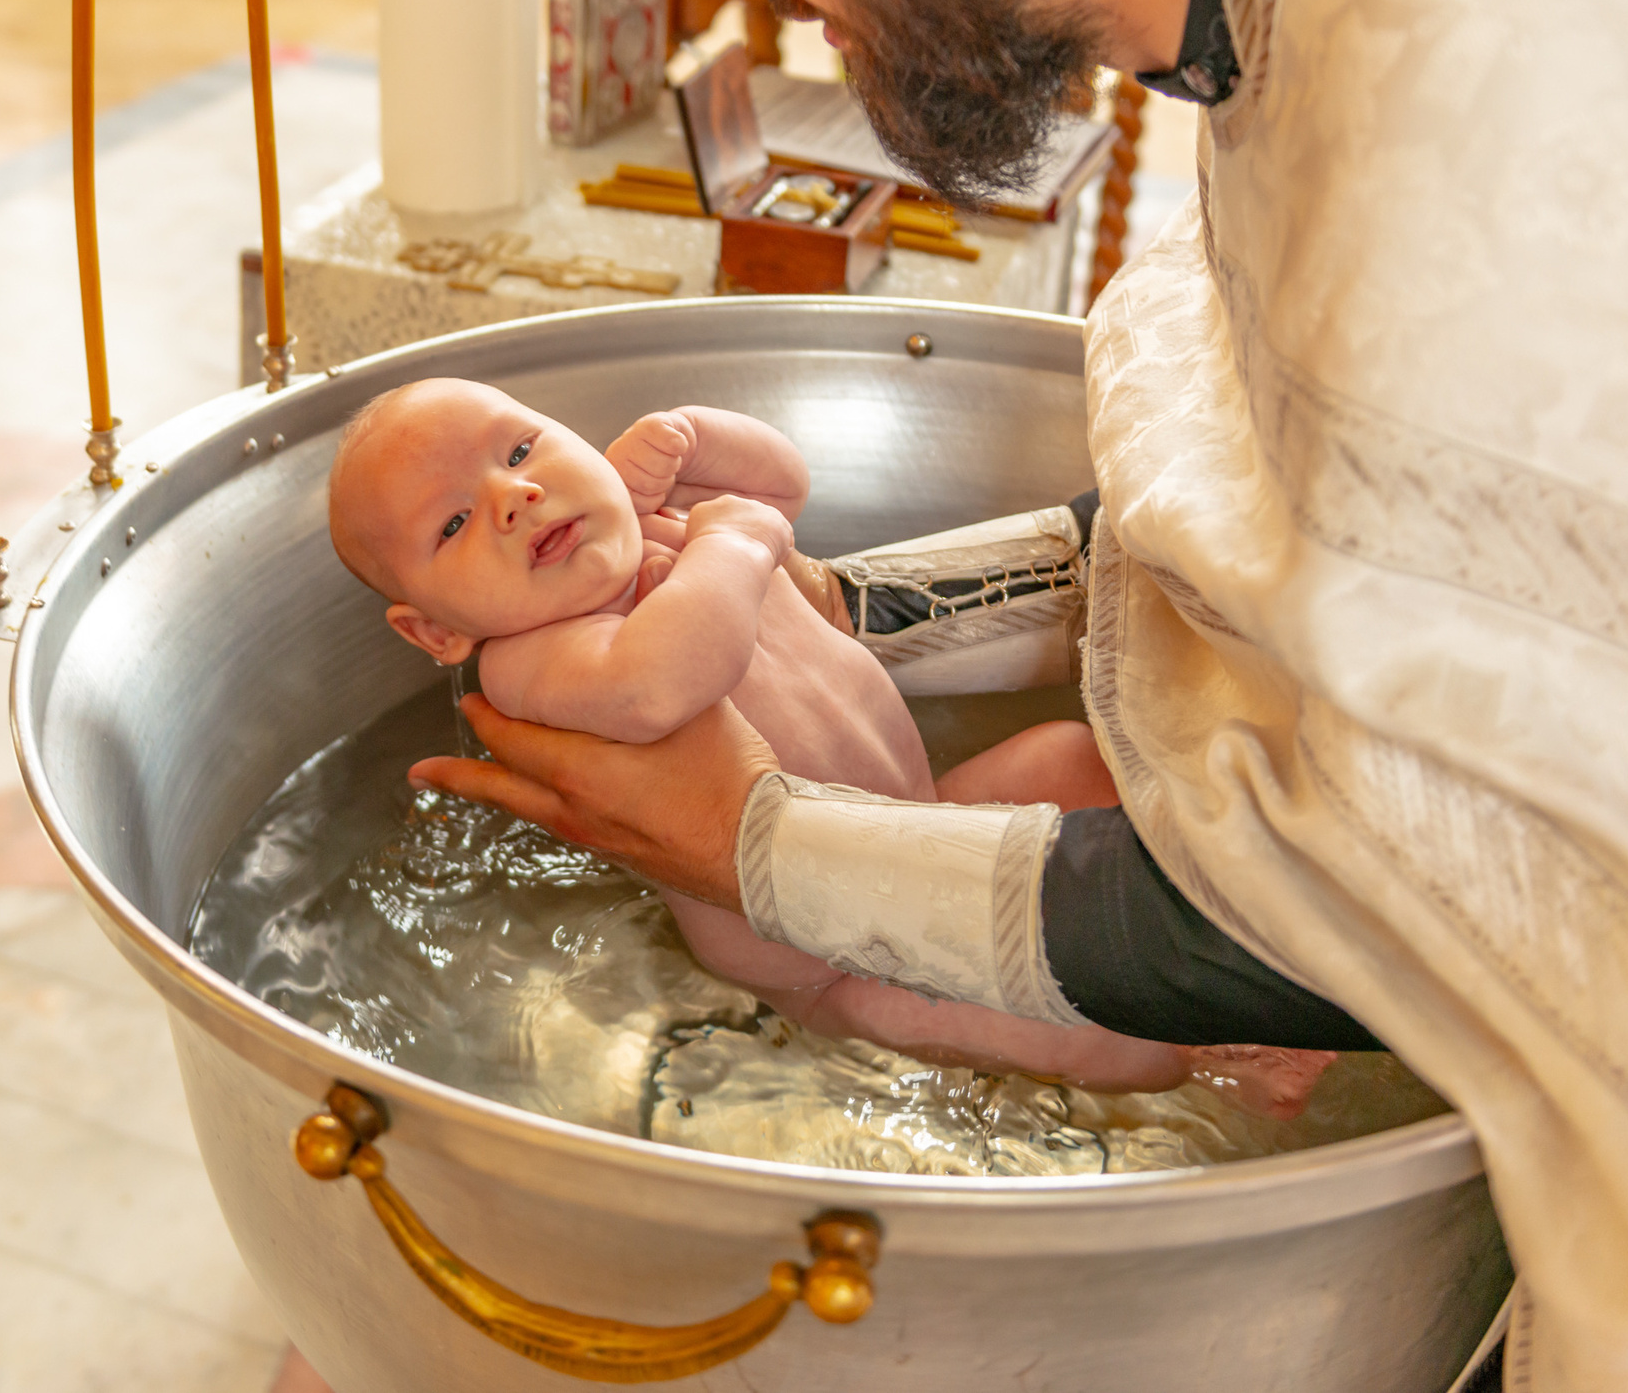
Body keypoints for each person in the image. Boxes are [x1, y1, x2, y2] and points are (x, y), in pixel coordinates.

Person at [415, 0, 1628, 1390]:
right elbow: (1270, 498)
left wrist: (762, 851)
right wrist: (852, 609)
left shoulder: (1481, 142)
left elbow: (1424, 892)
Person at [329, 376, 1336, 1110]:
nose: (512, 497)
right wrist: (734, 540)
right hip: (835, 962)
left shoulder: (660, 536)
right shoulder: (535, 661)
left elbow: (782, 487)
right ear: (435, 632)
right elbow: (663, 679)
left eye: (520, 451)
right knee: (1029, 1015)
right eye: (453, 524)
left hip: (922, 818)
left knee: (1067, 754)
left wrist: (695, 437)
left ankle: (1221, 918)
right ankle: (1210, 1057)